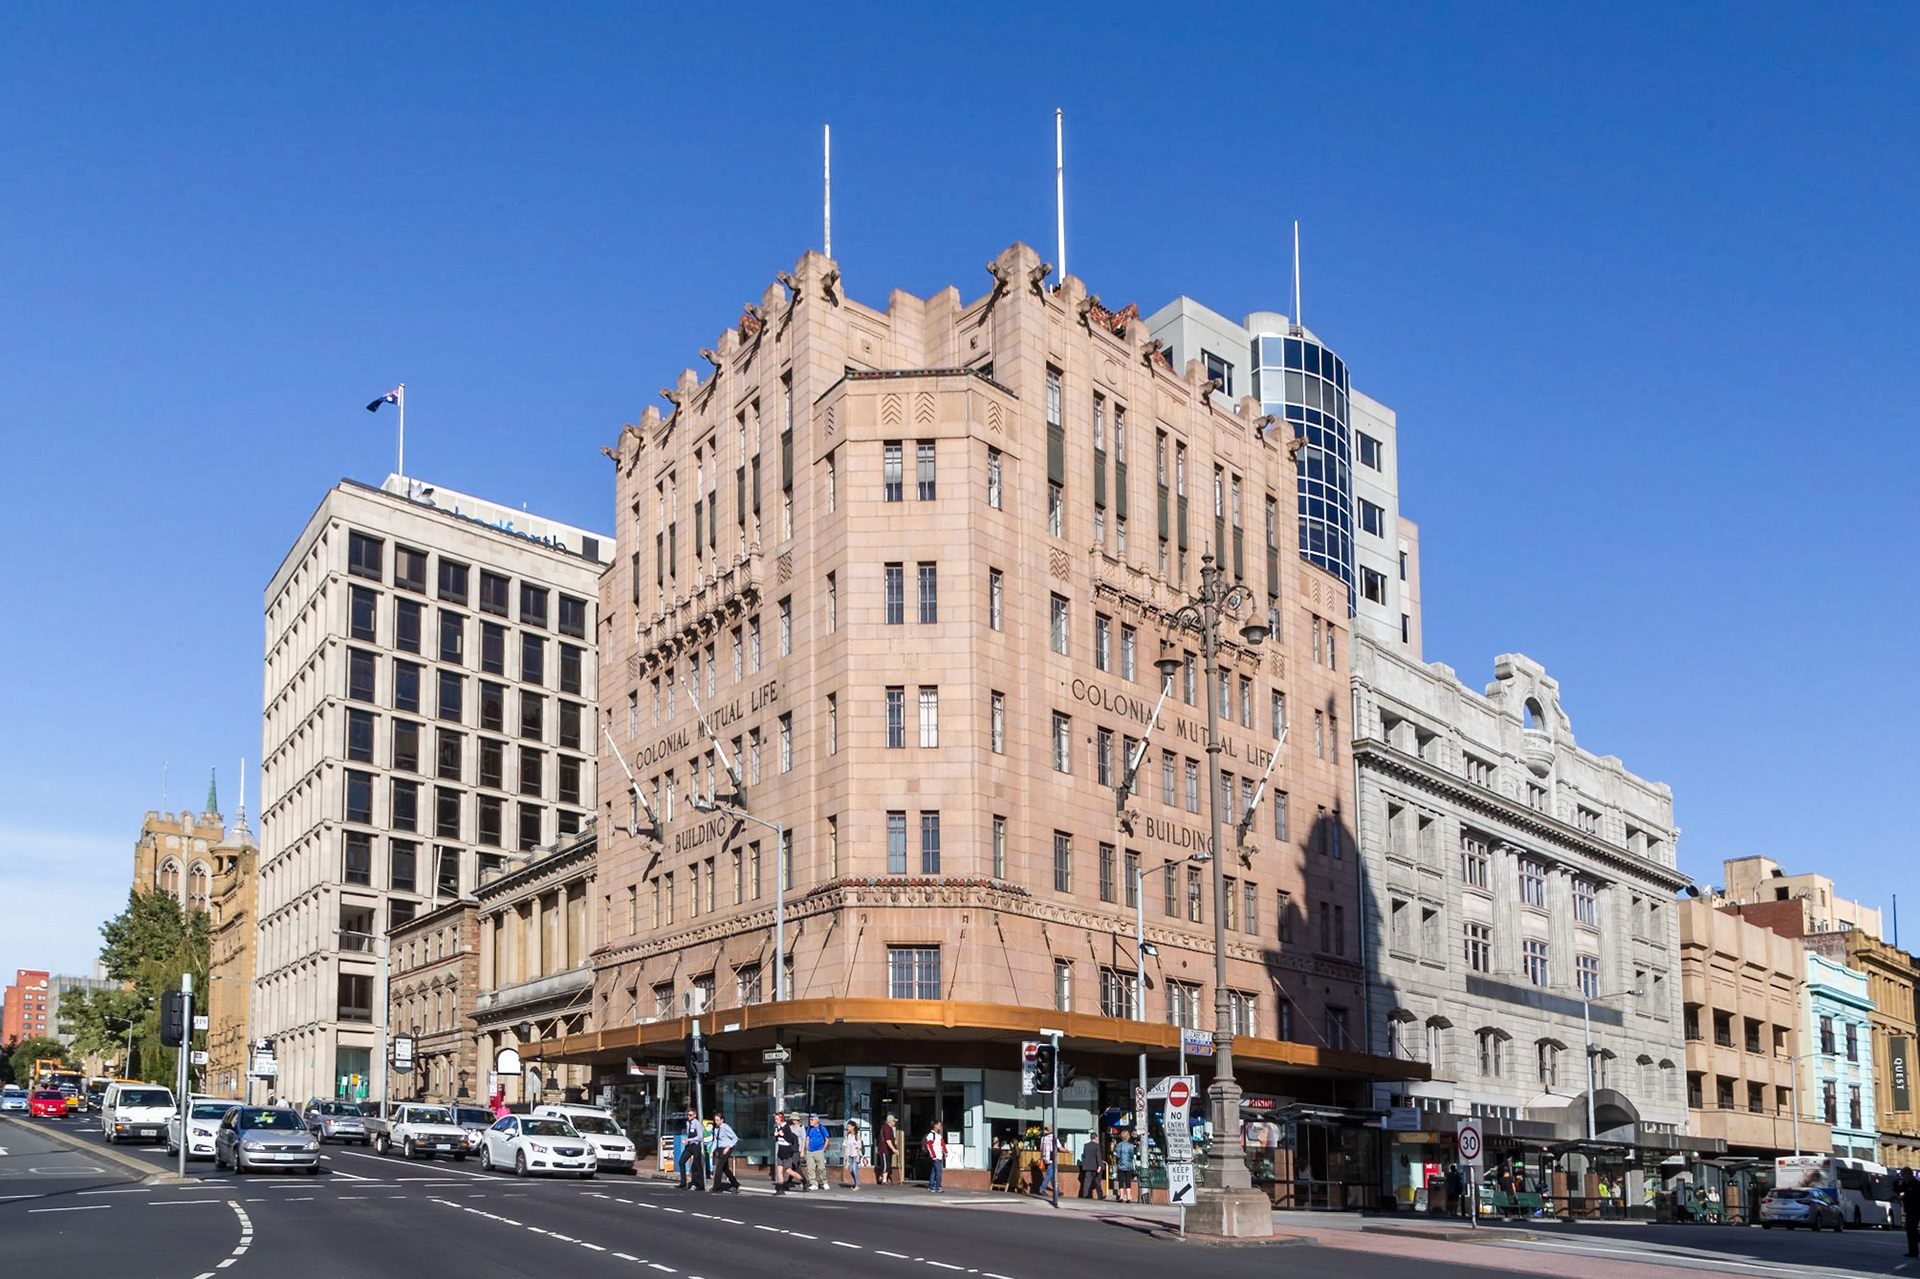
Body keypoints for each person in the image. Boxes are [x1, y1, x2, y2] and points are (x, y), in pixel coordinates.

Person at [709, 1111, 740, 1193]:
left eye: (718, 1120)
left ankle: (716, 1186)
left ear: (722, 1120)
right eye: (715, 1120)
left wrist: (728, 1147)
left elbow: (735, 1138)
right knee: (725, 1168)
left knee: (719, 1167)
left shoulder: (726, 1127)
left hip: (726, 1149)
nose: (716, 1122)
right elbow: (716, 1140)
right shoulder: (716, 1129)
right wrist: (712, 1151)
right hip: (720, 1149)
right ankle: (735, 1183)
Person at [772, 1111, 802, 1193]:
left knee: (788, 1170)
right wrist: (775, 1135)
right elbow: (777, 1139)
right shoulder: (777, 1127)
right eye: (775, 1119)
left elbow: (791, 1139)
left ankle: (803, 1180)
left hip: (787, 1151)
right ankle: (780, 1189)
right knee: (779, 1170)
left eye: (777, 1119)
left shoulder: (786, 1127)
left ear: (781, 1119)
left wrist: (783, 1135)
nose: (775, 1120)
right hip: (780, 1150)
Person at [805, 1114, 830, 1191]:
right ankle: (813, 1183)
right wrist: (807, 1148)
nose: (810, 1121)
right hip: (810, 1151)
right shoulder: (809, 1129)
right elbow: (807, 1138)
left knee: (821, 1167)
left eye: (812, 1119)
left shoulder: (822, 1128)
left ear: (816, 1120)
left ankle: (824, 1182)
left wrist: (823, 1149)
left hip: (819, 1150)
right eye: (810, 1120)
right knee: (810, 1168)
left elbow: (827, 1139)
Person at [1900, 1170, 1920, 1257]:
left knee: (1912, 1229)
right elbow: (1898, 1189)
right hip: (1909, 1210)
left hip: (1916, 1209)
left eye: (1903, 1174)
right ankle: (1913, 1251)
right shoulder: (1906, 1184)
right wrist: (1897, 1181)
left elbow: (1915, 1197)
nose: (1902, 1176)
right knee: (1910, 1230)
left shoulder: (1916, 1184)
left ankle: (1914, 1250)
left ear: (1909, 1174)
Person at [1112, 1133, 1136, 1203]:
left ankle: (1121, 1197)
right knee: (1128, 1181)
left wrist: (1115, 1154)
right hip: (1129, 1166)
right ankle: (1128, 1197)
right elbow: (1132, 1156)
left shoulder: (1119, 1145)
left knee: (1121, 1181)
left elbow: (1118, 1156)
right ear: (1128, 1137)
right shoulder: (1131, 1145)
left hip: (1121, 1165)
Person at [924, 1121, 946, 1193]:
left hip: (938, 1156)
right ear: (935, 1126)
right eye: (939, 1125)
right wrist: (933, 1156)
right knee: (938, 1171)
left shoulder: (938, 1135)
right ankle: (938, 1186)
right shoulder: (931, 1135)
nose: (940, 1127)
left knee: (933, 1171)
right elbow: (929, 1146)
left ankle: (931, 1186)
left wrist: (945, 1152)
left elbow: (942, 1144)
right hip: (935, 1156)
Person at [878, 1115, 899, 1185]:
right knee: (885, 1165)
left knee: (887, 1164)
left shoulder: (889, 1128)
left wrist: (894, 1141)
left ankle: (882, 1177)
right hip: (884, 1149)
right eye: (894, 1121)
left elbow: (890, 1139)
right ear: (890, 1121)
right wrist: (893, 1149)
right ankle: (884, 1179)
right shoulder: (887, 1128)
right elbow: (887, 1140)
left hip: (887, 1150)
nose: (895, 1122)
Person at [843, 1119, 863, 1190]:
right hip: (850, 1154)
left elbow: (859, 1147)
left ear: (853, 1127)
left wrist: (858, 1156)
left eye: (849, 1126)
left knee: (855, 1169)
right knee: (851, 1170)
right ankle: (856, 1182)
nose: (848, 1128)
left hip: (856, 1155)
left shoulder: (857, 1135)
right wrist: (845, 1156)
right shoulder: (848, 1136)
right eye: (847, 1126)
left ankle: (857, 1185)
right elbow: (845, 1146)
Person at [1038, 1128, 1058, 1198]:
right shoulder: (1054, 1138)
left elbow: (1041, 1148)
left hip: (1045, 1158)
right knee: (1050, 1174)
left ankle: (1057, 1190)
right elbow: (1060, 1147)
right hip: (1051, 1158)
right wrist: (1068, 1151)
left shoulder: (1043, 1138)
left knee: (1052, 1174)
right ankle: (1042, 1188)